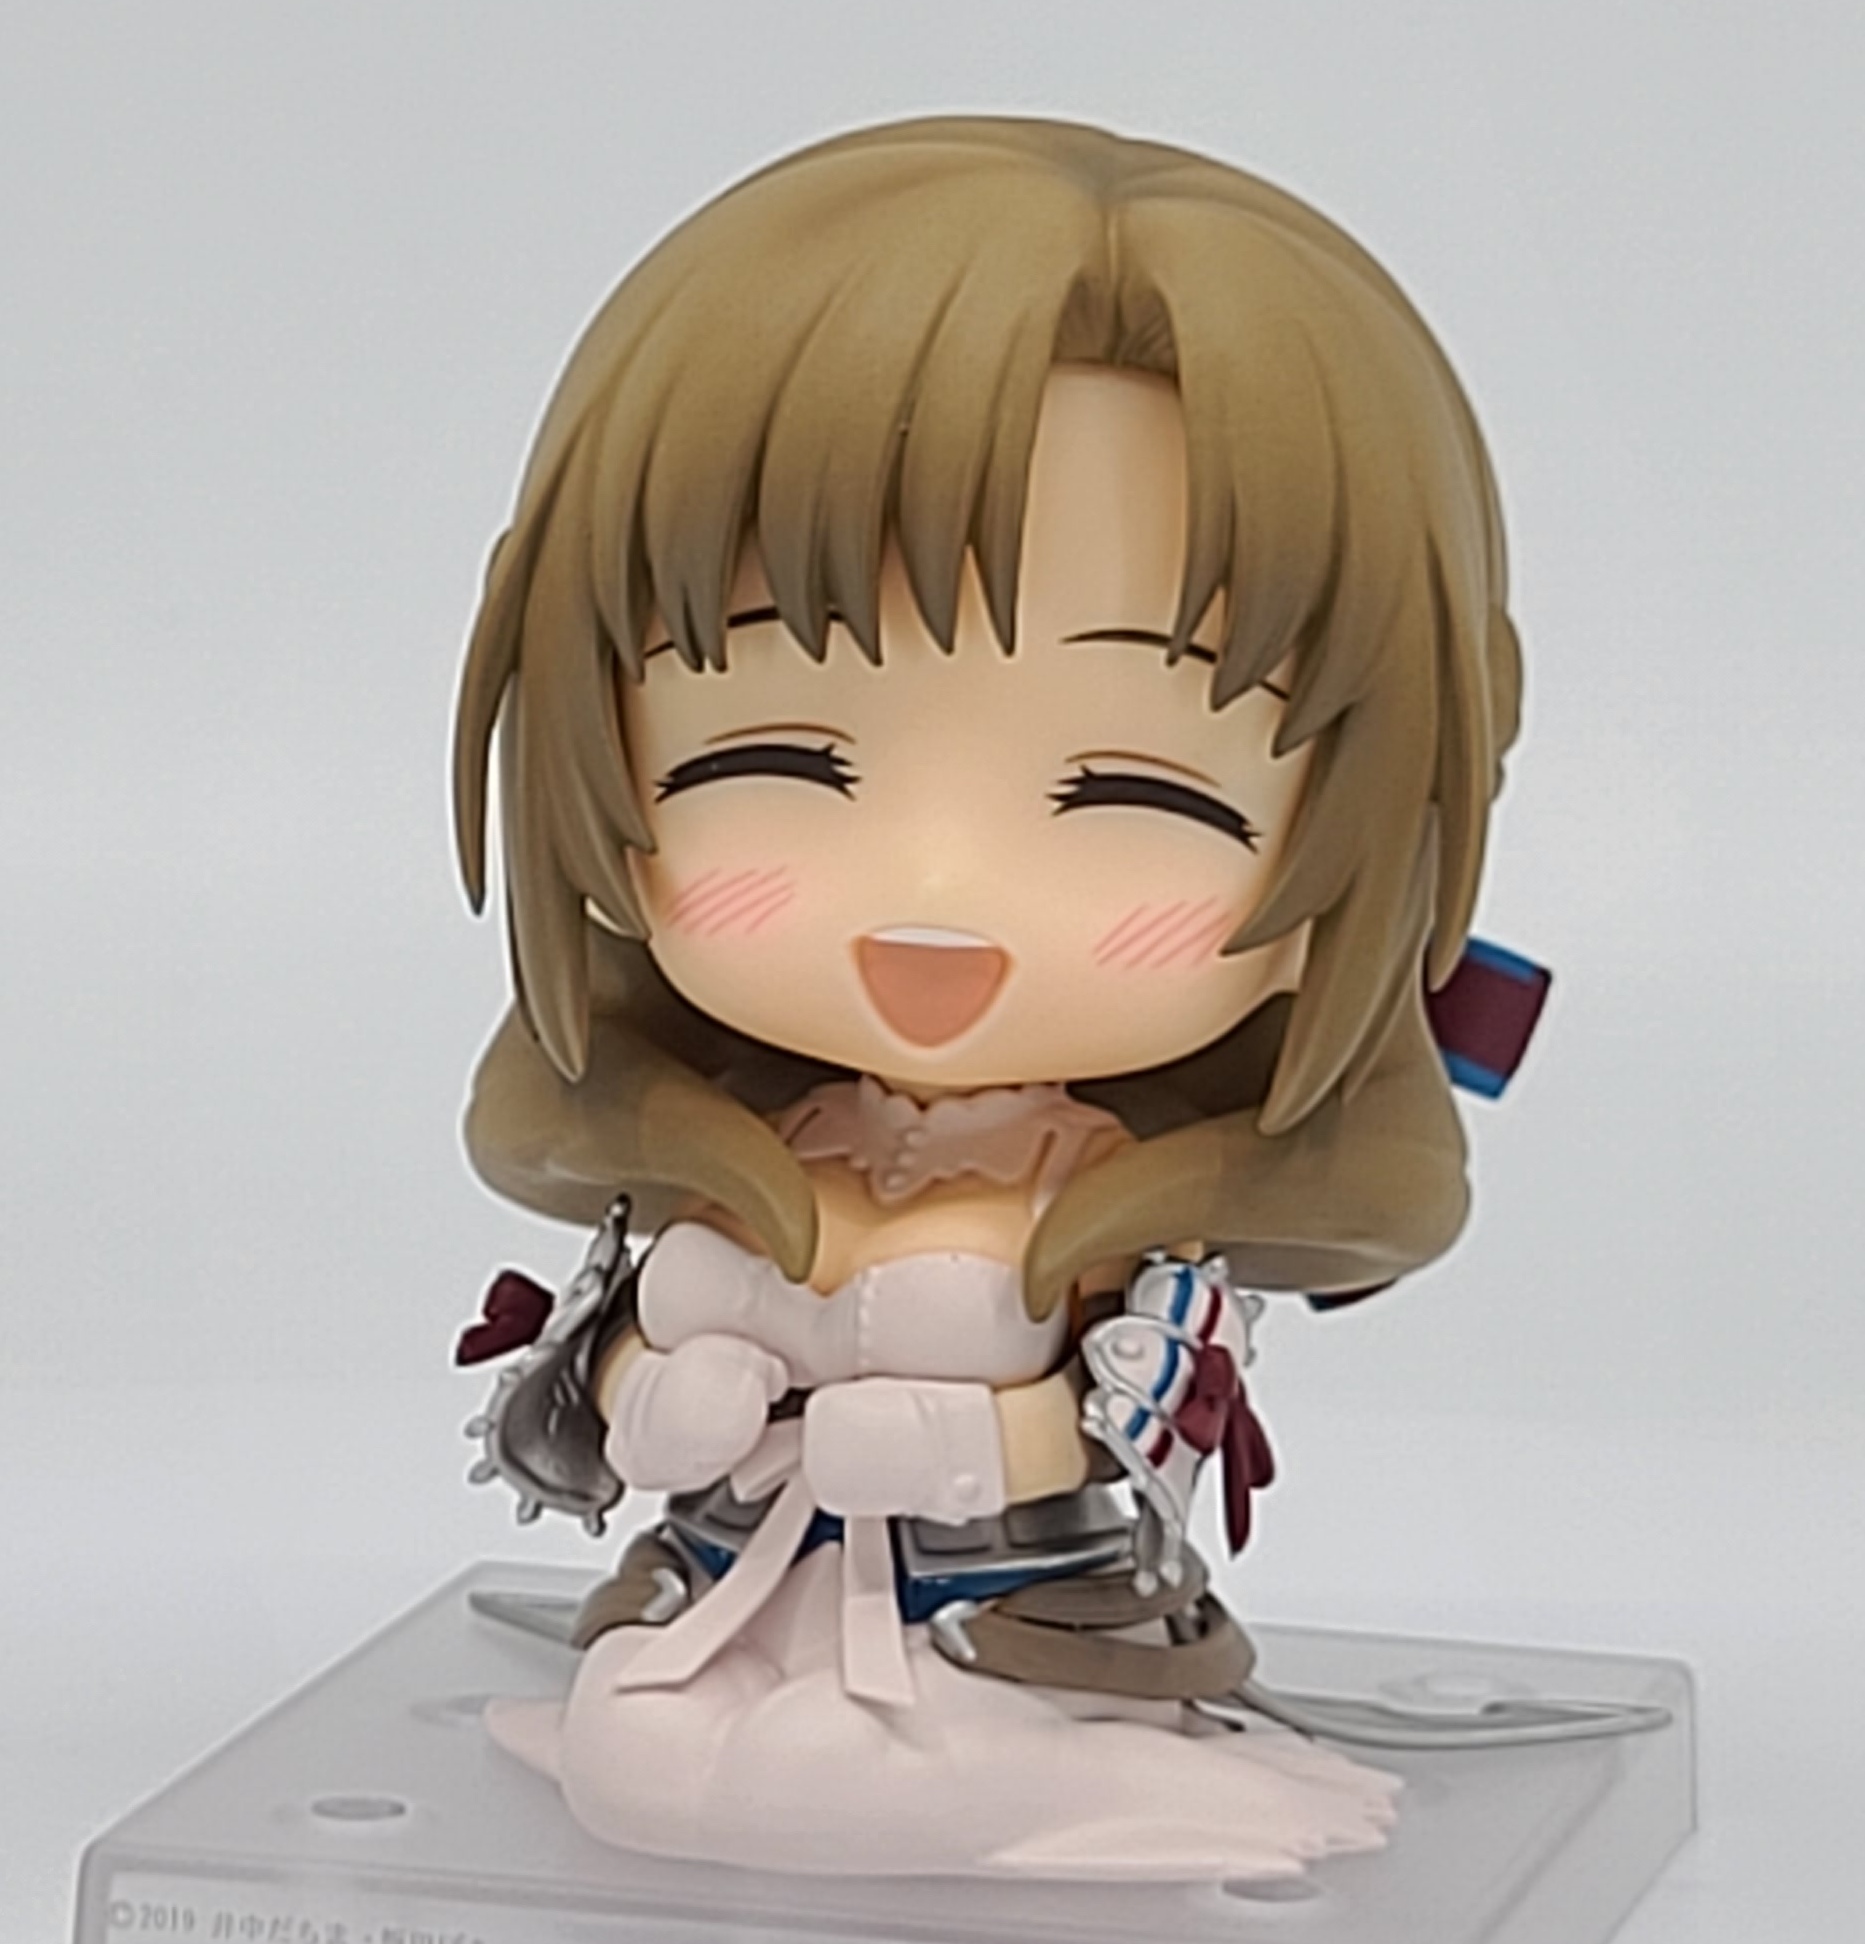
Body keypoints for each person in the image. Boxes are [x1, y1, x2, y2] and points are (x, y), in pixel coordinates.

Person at [452, 115, 1523, 1882]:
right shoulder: (764, 1135)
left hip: (1008, 1621)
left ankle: (1105, 1786)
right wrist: (653, 1391)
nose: (937, 903)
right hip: (735, 1579)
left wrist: (962, 1442)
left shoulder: (1110, 1199)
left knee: (818, 1775)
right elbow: (612, 1359)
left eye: (1140, 795)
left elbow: (1120, 1426)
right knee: (646, 1743)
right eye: (776, 760)